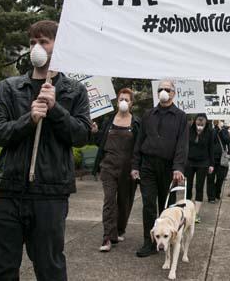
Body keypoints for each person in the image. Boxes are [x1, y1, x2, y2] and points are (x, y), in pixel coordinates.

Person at [0, 20, 91, 280]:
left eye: (44, 42)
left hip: (50, 193)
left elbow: (81, 135)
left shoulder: (74, 91)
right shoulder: (9, 88)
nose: (37, 48)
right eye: (32, 42)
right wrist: (28, 120)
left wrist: (55, 110)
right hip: (8, 190)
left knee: (50, 267)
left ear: (58, 46)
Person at [131, 80, 188, 257]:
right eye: (161, 89)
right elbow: (139, 140)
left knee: (168, 207)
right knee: (148, 204)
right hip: (148, 165)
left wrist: (178, 167)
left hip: (169, 167)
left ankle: (168, 241)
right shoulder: (148, 114)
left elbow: (182, 144)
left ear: (173, 93)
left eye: (167, 89)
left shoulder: (181, 116)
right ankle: (149, 242)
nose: (164, 92)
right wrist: (135, 164)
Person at [91, 88, 140, 252]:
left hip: (128, 169)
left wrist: (136, 167)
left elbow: (138, 148)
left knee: (124, 202)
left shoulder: (136, 123)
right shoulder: (108, 121)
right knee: (109, 201)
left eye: (126, 99)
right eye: (121, 99)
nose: (123, 102)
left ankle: (119, 230)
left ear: (131, 103)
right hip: (108, 167)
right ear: (117, 101)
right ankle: (107, 238)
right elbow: (100, 142)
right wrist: (95, 132)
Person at [184, 113, 214, 222]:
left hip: (203, 163)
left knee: (199, 187)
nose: (200, 124)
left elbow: (211, 149)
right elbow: (184, 146)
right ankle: (187, 210)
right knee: (188, 186)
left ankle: (196, 213)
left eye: (202, 122)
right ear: (195, 121)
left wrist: (211, 164)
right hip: (189, 162)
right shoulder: (189, 130)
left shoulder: (210, 132)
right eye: (198, 122)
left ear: (206, 123)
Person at [207, 120, 230, 203]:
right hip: (211, 158)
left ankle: (217, 193)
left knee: (220, 178)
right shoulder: (211, 130)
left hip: (222, 158)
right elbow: (211, 139)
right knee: (210, 178)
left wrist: (221, 131)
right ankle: (211, 197)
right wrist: (216, 129)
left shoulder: (225, 131)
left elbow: (227, 140)